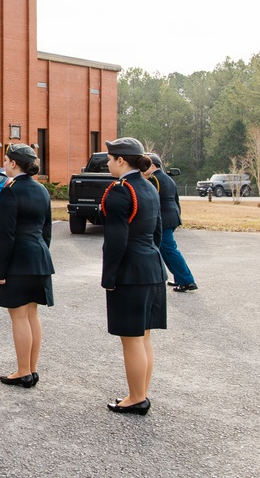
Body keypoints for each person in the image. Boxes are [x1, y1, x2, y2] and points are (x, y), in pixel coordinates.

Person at [101, 137, 167, 416]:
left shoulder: (120, 191)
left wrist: (109, 277)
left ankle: (136, 398)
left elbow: (116, 240)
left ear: (121, 160)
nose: (107, 163)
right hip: (152, 267)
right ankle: (141, 393)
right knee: (143, 337)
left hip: (130, 271)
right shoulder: (149, 186)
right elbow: (157, 232)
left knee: (131, 339)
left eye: (109, 159)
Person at [0, 143, 54, 388]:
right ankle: (32, 368)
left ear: (14, 163)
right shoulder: (42, 189)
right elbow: (47, 229)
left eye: (5, 160)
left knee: (19, 316)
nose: (4, 165)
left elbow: (6, 234)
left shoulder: (11, 190)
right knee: (32, 314)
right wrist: (40, 253)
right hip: (39, 257)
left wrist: (0, 270)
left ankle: (22, 371)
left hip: (18, 260)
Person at [144, 154, 198, 293]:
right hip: (172, 216)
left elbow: (152, 200)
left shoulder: (154, 179)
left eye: (145, 166)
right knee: (165, 250)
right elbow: (176, 199)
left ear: (153, 165)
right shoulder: (168, 178)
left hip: (164, 218)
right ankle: (179, 278)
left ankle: (187, 281)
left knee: (169, 250)